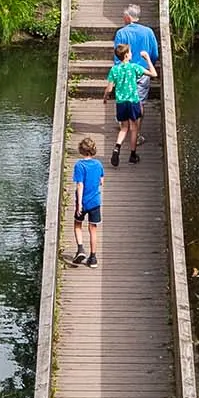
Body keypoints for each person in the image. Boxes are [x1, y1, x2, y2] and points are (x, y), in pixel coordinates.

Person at [107, 43, 150, 164]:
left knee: (124, 128)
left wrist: (105, 97)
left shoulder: (114, 69)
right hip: (133, 102)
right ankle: (132, 155)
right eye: (130, 52)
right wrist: (147, 58)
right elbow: (154, 74)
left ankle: (117, 148)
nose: (131, 54)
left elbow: (109, 89)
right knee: (134, 129)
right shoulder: (134, 67)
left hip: (121, 103)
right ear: (126, 55)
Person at [68, 137, 104, 267]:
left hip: (83, 202)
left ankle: (80, 249)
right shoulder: (98, 164)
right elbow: (101, 181)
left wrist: (79, 204)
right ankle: (93, 258)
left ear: (81, 150)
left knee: (78, 224)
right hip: (95, 201)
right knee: (93, 228)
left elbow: (80, 185)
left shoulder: (79, 165)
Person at [115, 3, 161, 95]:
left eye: (124, 16)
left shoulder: (121, 33)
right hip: (144, 70)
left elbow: (117, 55)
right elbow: (155, 53)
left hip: (126, 71)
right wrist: (150, 65)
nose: (123, 18)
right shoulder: (148, 31)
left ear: (128, 17)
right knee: (140, 99)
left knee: (126, 97)